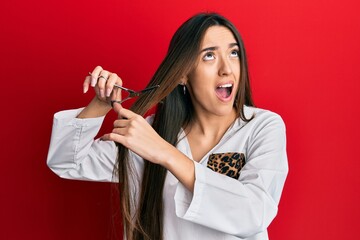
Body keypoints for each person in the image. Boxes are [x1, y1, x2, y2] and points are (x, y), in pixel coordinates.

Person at [47, 13, 288, 240]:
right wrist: (100, 104)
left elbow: (254, 214)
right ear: (183, 74)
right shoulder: (149, 132)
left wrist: (165, 153)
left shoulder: (263, 127)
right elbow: (67, 163)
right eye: (209, 55)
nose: (226, 68)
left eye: (234, 53)